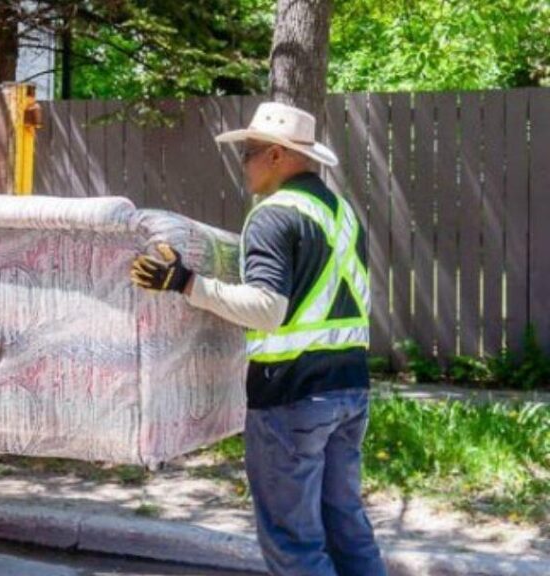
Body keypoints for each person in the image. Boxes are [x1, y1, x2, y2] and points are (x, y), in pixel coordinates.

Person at [131, 102, 386, 576]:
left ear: (276, 155)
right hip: (349, 389)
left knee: (294, 543)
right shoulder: (340, 213)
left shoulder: (272, 216)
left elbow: (268, 310)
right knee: (346, 526)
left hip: (292, 396)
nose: (241, 161)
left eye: (248, 151)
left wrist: (186, 283)